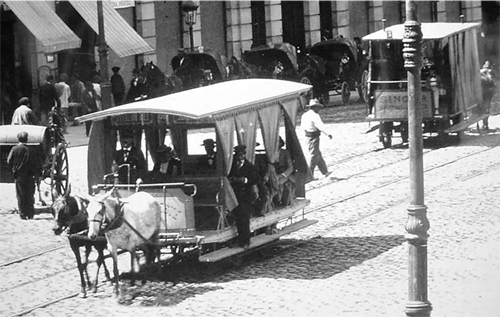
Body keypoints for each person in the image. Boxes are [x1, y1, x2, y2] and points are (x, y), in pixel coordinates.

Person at [228, 144, 261, 248]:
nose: (240, 156)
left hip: (246, 195)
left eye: (242, 154)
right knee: (237, 217)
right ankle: (240, 239)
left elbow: (255, 179)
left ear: (244, 155)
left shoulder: (249, 166)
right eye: (238, 155)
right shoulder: (232, 165)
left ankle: (245, 241)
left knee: (244, 218)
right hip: (235, 195)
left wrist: (244, 180)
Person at [7, 131, 42, 220]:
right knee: (30, 194)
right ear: (27, 139)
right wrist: (38, 174)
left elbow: (9, 161)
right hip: (30, 176)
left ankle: (22, 214)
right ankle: (30, 214)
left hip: (19, 176)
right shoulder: (31, 150)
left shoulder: (14, 149)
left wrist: (13, 170)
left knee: (21, 195)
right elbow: (37, 163)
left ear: (18, 139)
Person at [300, 98, 332, 179]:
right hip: (313, 137)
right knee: (314, 156)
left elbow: (302, 127)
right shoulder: (315, 116)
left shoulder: (304, 115)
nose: (319, 109)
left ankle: (325, 171)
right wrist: (328, 134)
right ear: (314, 107)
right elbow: (320, 126)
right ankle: (309, 175)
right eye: (318, 107)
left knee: (318, 154)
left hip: (307, 136)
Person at [273, 136, 295, 206]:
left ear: (280, 143)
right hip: (273, 174)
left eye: (277, 143)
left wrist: (282, 175)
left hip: (284, 174)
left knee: (279, 183)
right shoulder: (270, 153)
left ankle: (280, 200)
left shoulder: (285, 153)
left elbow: (290, 167)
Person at [480, 61, 497, 131]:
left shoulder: (480, 72)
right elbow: (494, 85)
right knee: (487, 107)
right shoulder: (490, 73)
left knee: (482, 107)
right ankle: (485, 124)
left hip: (481, 92)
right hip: (488, 93)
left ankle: (484, 123)